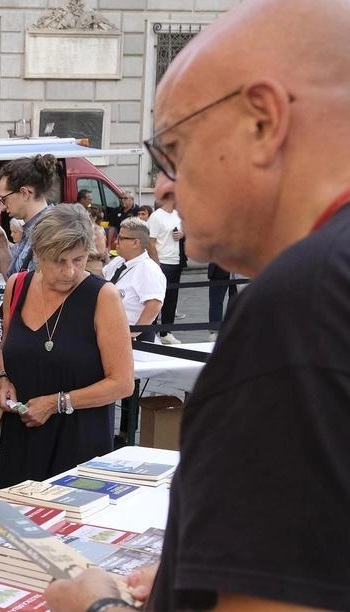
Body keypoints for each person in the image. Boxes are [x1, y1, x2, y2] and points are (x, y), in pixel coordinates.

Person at [46, 2, 350, 610]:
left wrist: (95, 606)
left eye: (174, 151)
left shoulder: (300, 307)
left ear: (263, 121)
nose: (162, 186)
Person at [0, 204, 133, 496]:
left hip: (79, 442)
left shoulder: (102, 296)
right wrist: (3, 378)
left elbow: (122, 383)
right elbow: (7, 348)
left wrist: (56, 402)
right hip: (22, 438)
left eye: (79, 259)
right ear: (39, 255)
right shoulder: (17, 286)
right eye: (59, 261)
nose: (70, 271)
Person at [103, 218, 165, 343]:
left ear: (136, 243)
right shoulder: (118, 262)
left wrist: (132, 334)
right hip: (109, 332)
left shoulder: (148, 269)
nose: (116, 241)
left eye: (121, 238)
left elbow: (154, 305)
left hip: (134, 339)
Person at [145, 176, 185, 345]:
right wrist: (157, 264)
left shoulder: (177, 215)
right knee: (157, 298)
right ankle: (152, 332)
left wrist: (182, 235)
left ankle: (166, 332)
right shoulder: (156, 217)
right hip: (162, 262)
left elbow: (183, 233)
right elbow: (150, 242)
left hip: (176, 261)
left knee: (171, 298)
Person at [205, 262, 237, 342]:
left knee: (237, 301)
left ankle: (233, 328)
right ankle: (214, 331)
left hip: (239, 268)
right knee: (215, 300)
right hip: (220, 266)